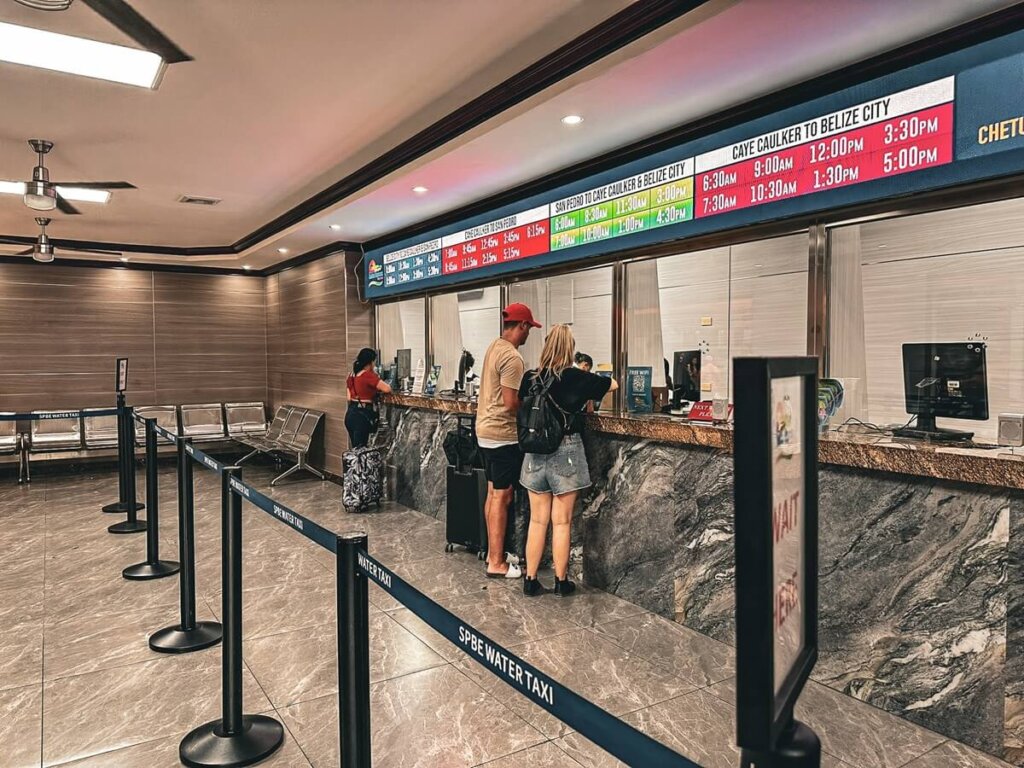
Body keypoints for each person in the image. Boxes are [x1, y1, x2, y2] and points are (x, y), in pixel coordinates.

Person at [519, 324, 617, 597]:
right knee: (561, 521)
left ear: (546, 345)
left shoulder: (530, 378)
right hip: (566, 451)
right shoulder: (575, 377)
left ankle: (530, 579)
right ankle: (561, 582)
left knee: (537, 521)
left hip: (534, 453)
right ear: (570, 350)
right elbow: (614, 384)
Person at [475, 303, 541, 579]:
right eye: (529, 328)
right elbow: (511, 402)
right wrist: (534, 407)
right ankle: (496, 563)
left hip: (485, 433)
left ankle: (496, 553)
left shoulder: (494, 347)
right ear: (522, 326)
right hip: (502, 435)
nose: (529, 335)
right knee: (502, 496)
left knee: (494, 493)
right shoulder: (513, 358)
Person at [345, 348, 391, 448]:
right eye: (374, 361)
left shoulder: (352, 375)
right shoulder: (368, 376)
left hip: (350, 415)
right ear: (370, 362)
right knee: (361, 452)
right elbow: (387, 389)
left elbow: (348, 397)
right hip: (361, 417)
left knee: (355, 450)